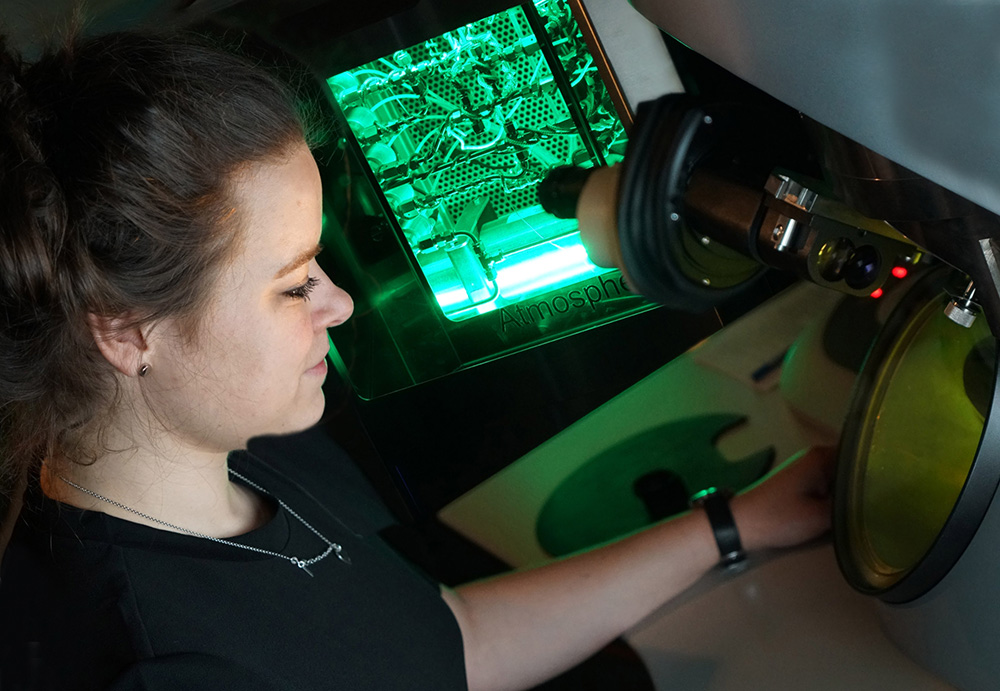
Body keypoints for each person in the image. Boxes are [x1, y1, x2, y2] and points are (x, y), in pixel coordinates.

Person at [0, 30, 834, 691]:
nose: (339, 304)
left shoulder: (256, 453)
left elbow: (451, 641)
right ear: (124, 330)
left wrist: (734, 525)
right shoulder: (160, 666)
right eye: (293, 286)